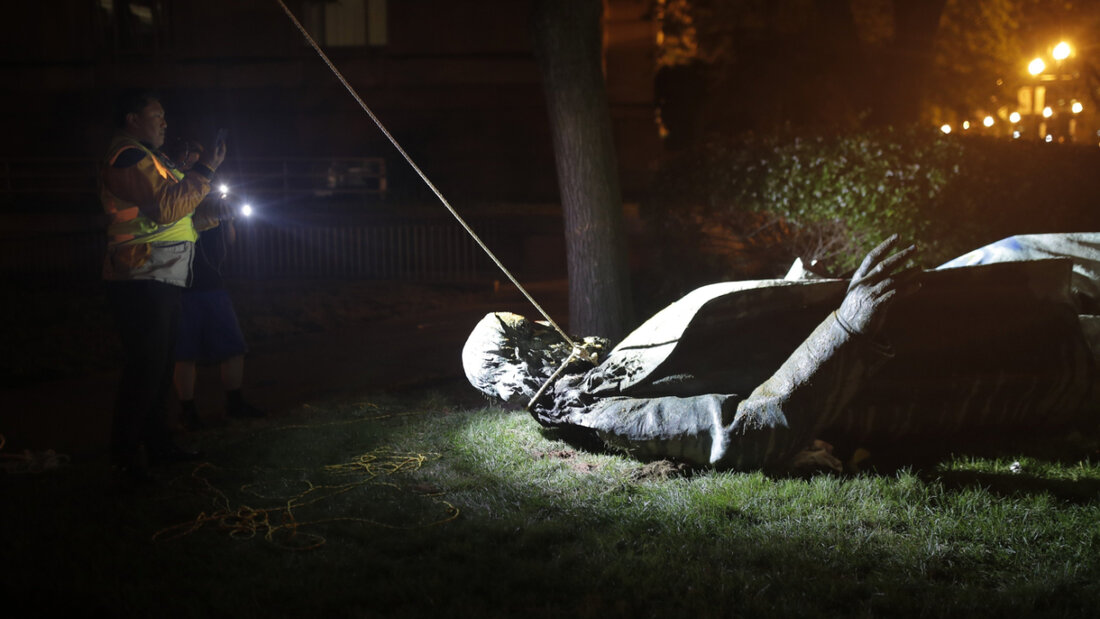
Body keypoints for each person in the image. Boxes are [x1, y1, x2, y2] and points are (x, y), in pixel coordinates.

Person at [462, 234, 1100, 472]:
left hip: (937, 320)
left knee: (1018, 252)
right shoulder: (599, 408)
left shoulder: (607, 366)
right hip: (940, 368)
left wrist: (792, 294)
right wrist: (846, 325)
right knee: (1060, 329)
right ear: (514, 370)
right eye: (532, 334)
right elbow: (741, 433)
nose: (552, 329)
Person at [100, 91, 226, 480]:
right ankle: (124, 455)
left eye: (165, 116)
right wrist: (204, 171)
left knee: (158, 368)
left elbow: (176, 216)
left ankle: (157, 444)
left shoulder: (149, 158)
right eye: (157, 116)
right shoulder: (128, 156)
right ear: (132, 118)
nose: (165, 123)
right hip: (140, 277)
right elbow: (165, 207)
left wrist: (214, 212)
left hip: (160, 274)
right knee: (146, 368)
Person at [164, 138, 265, 430]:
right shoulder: (173, 193)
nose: (198, 169)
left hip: (212, 284)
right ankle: (188, 410)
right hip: (181, 283)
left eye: (202, 162)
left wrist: (226, 217)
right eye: (192, 162)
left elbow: (228, 242)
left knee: (232, 346)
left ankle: (234, 403)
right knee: (184, 353)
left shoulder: (210, 195)